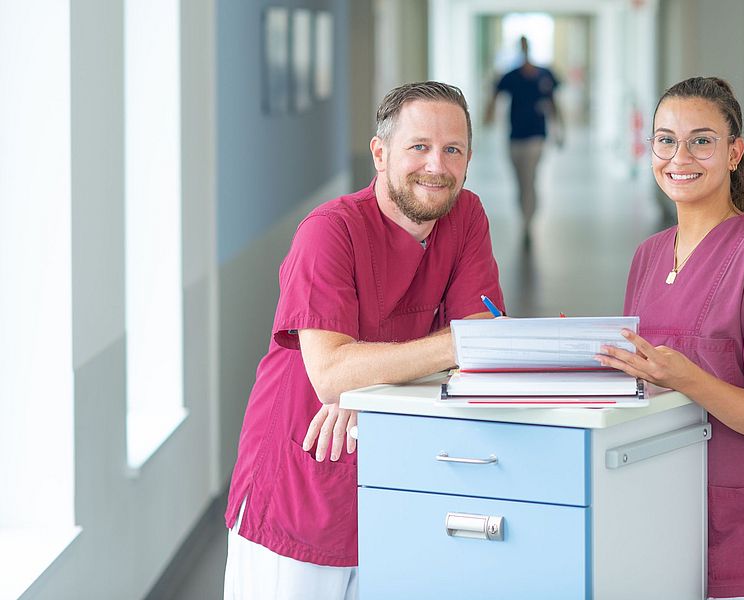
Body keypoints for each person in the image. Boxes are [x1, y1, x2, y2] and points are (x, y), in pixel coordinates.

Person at [222, 81, 504, 600]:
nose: (436, 166)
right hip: (302, 484)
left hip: (398, 472)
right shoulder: (328, 233)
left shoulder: (465, 216)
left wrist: (367, 385)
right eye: (418, 147)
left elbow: (486, 354)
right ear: (380, 153)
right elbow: (330, 374)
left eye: (453, 149)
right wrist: (450, 348)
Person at [596, 77, 744, 599]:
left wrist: (690, 380)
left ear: (734, 153)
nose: (680, 156)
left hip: (743, 532)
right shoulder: (647, 256)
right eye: (666, 140)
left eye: (702, 140)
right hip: (656, 521)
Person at [484, 35, 562, 247]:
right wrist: (485, 119)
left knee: (530, 179)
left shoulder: (544, 75)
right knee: (521, 181)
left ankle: (528, 222)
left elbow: (553, 103)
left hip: (536, 136)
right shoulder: (510, 76)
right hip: (515, 137)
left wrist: (559, 130)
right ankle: (525, 215)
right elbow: (494, 97)